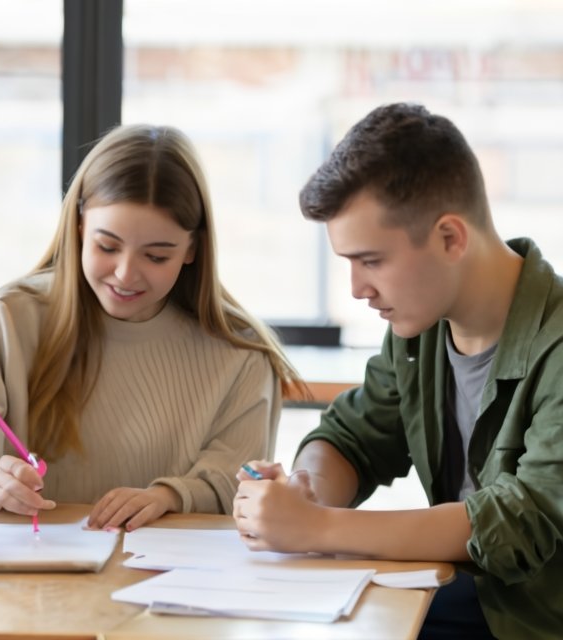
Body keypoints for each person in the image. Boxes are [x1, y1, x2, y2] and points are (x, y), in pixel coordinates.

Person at [233, 103, 563, 640]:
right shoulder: (419, 329)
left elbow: (520, 522)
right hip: (468, 601)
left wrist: (318, 527)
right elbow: (352, 438)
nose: (357, 289)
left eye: (372, 261)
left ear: (451, 238)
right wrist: (306, 490)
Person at [0, 124, 304, 532]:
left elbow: (242, 488)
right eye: (106, 247)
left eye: (157, 256)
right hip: (20, 578)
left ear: (193, 249)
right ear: (78, 226)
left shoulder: (242, 353)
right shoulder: (8, 321)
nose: (126, 275)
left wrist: (169, 497)